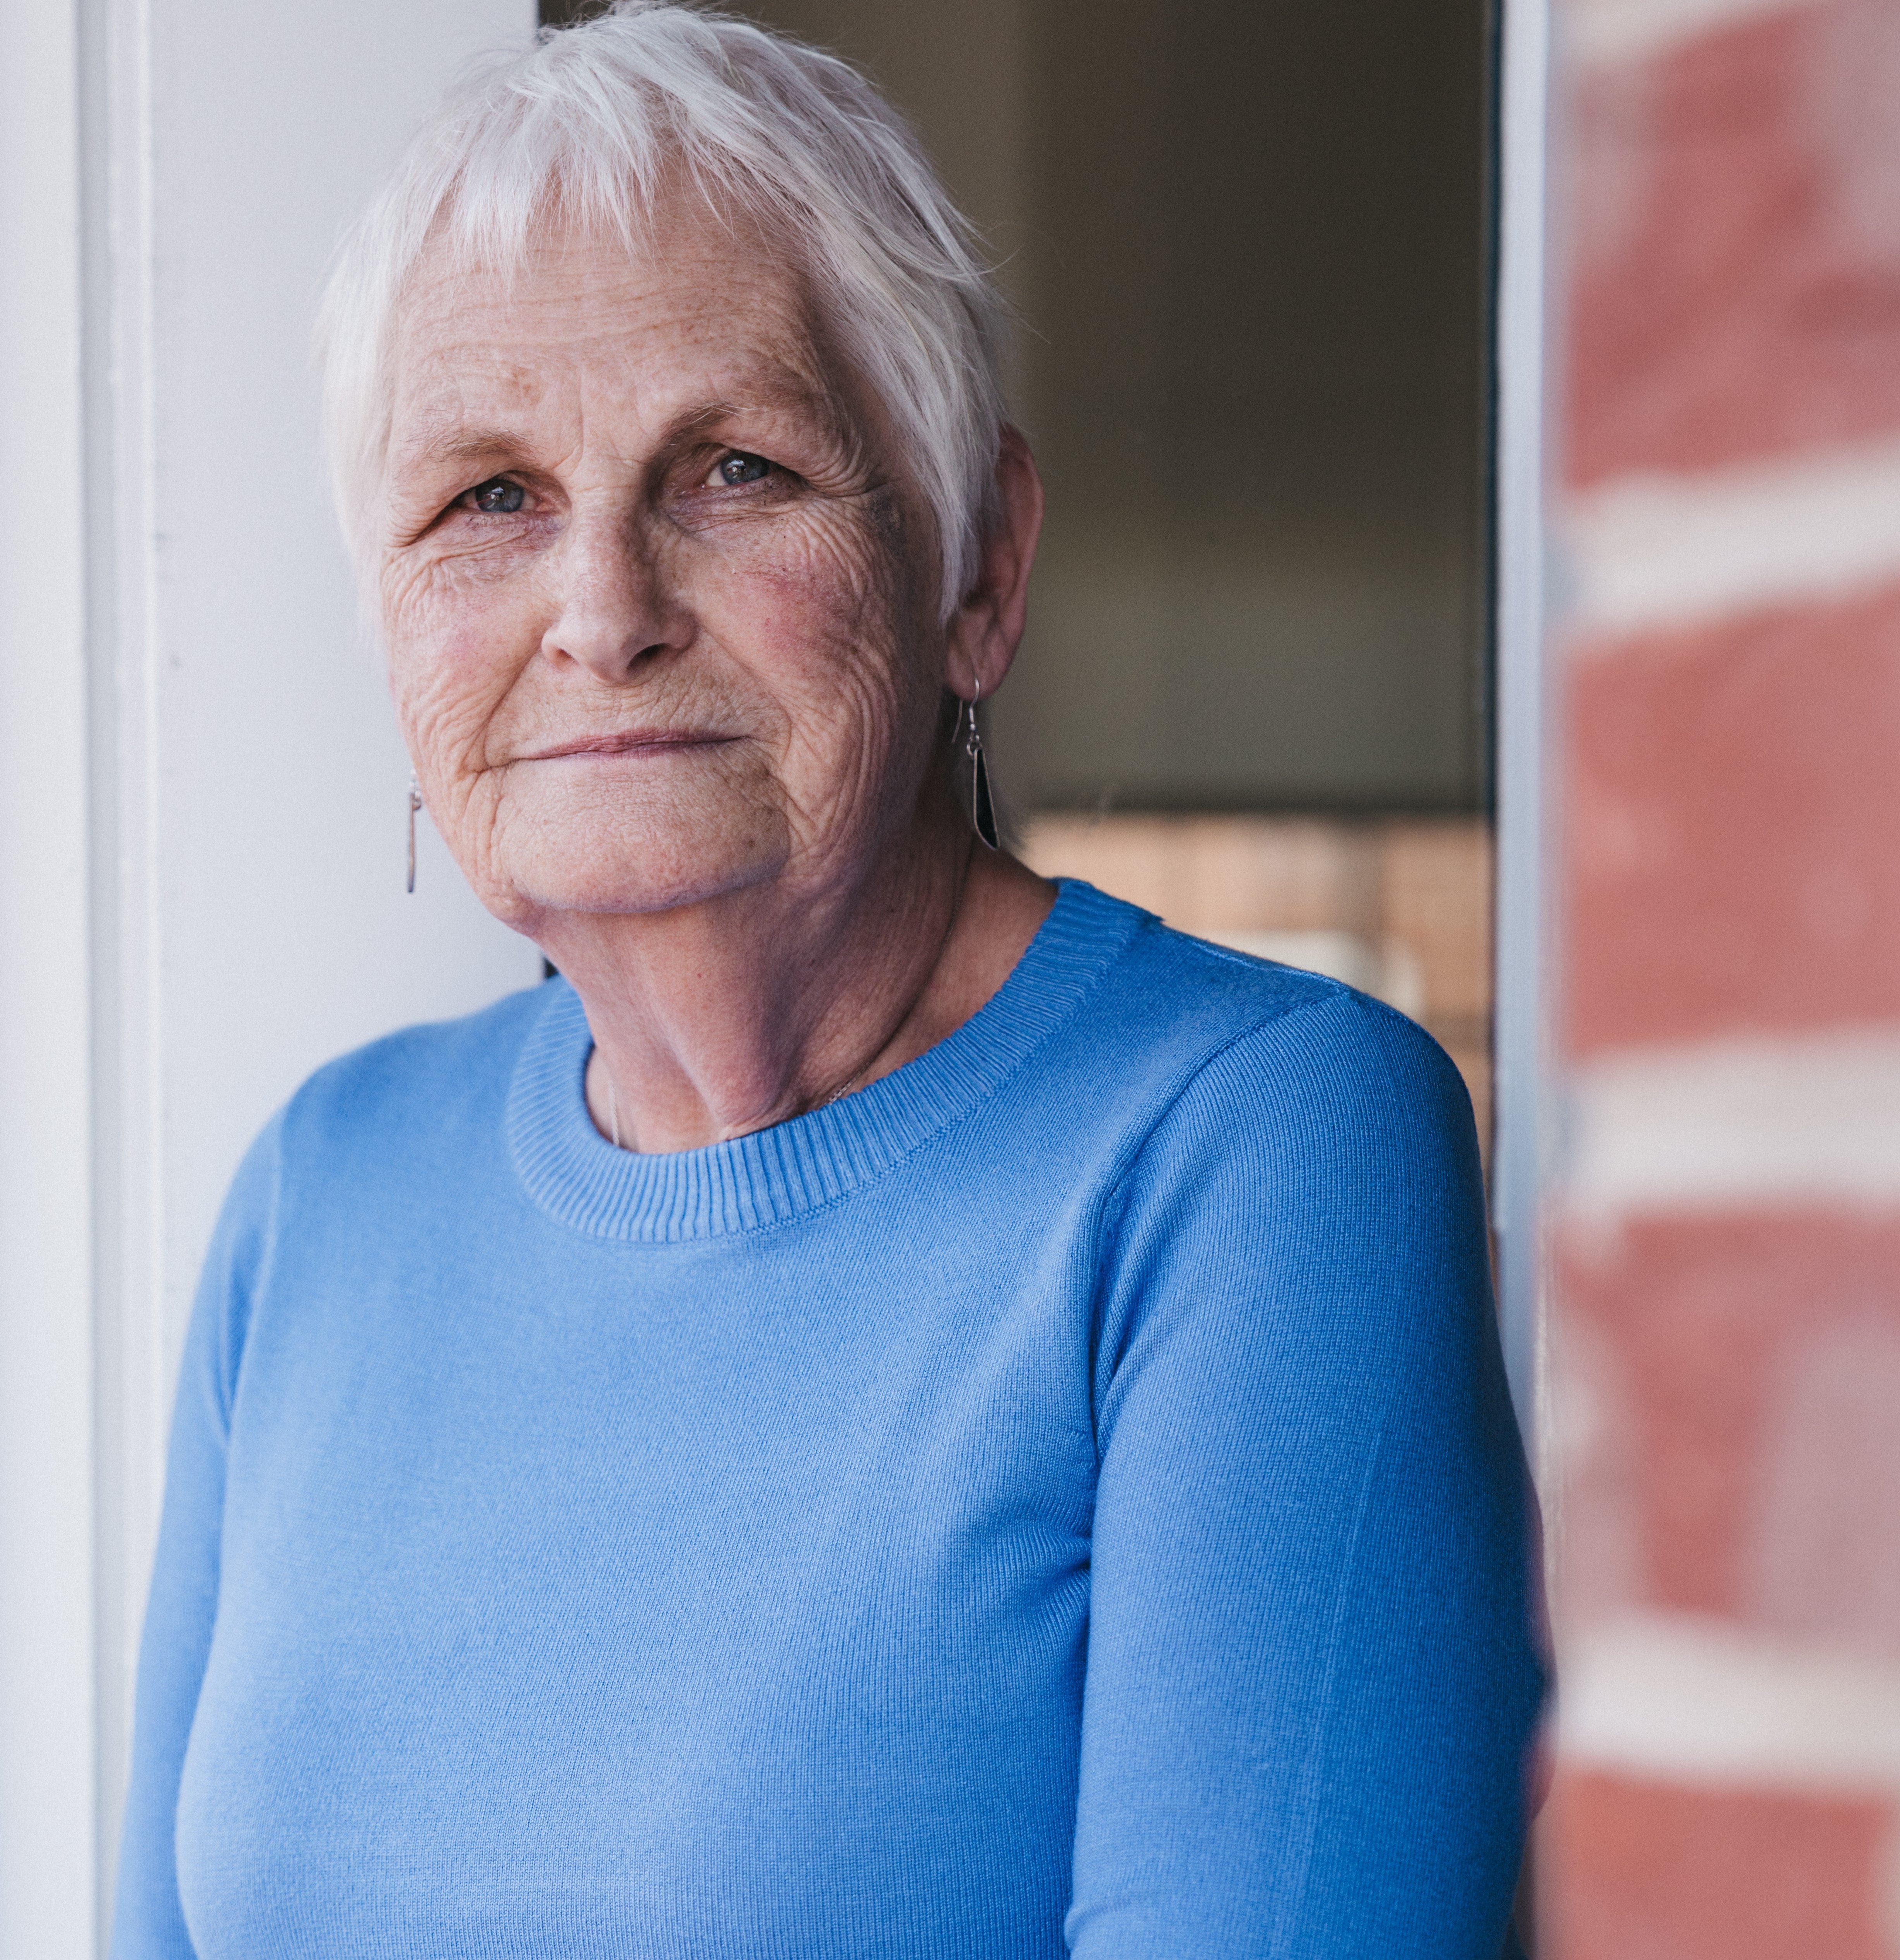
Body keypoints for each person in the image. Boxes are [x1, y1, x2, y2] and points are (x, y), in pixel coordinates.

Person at [113, 5, 1543, 1953]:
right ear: (391, 618)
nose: (601, 612)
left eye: (735, 466)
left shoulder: (1256, 1151)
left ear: (979, 571)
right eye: (490, 498)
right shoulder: (320, 1193)